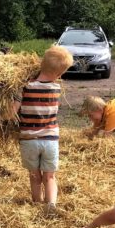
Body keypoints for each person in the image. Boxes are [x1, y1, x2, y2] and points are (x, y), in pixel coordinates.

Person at [12, 46, 73, 215]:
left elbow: (11, 114)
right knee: (50, 176)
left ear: (41, 64)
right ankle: (51, 205)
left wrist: (16, 94)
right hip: (50, 140)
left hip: (29, 140)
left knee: (34, 175)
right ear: (59, 74)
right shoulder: (56, 89)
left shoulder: (25, 87)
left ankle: (36, 203)